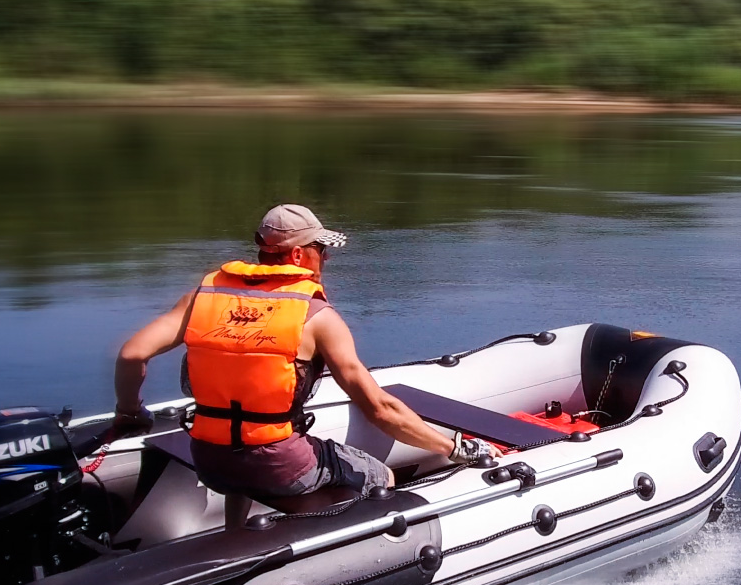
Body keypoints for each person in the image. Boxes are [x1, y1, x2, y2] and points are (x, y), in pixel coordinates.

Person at [110, 204, 493, 512]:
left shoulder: (202, 298)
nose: (325, 259)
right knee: (379, 477)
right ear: (298, 254)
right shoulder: (319, 318)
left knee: (244, 451)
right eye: (321, 251)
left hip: (210, 461)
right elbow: (380, 410)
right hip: (278, 464)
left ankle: (236, 535)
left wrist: (130, 412)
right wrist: (453, 448)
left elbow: (132, 354)